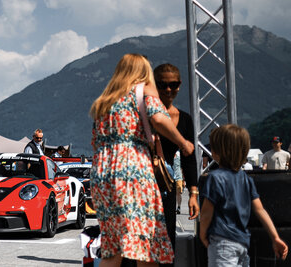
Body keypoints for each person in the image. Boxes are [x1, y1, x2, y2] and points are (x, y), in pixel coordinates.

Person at [88, 54, 194, 266]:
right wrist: (183, 142)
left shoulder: (104, 102)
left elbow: (95, 140)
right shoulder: (144, 91)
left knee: (113, 248)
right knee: (147, 243)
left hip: (102, 173)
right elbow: (158, 118)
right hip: (131, 170)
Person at [200, 124, 288, 265]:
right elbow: (260, 210)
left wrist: (203, 234)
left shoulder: (215, 177)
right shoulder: (245, 179)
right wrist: (275, 237)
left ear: (218, 151)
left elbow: (206, 212)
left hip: (222, 242)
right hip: (242, 242)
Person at [153, 63, 201, 262]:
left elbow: (189, 159)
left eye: (173, 84)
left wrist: (193, 193)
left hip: (167, 184)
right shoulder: (145, 115)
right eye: (162, 84)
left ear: (180, 85)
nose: (168, 89)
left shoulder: (185, 119)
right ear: (154, 85)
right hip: (143, 183)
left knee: (167, 240)